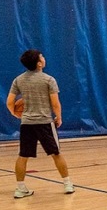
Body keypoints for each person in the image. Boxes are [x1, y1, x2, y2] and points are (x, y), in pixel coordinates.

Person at [6, 49, 73, 198]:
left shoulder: (18, 80)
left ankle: (20, 188)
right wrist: (59, 117)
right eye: (41, 56)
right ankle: (67, 184)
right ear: (39, 63)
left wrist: (15, 113)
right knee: (56, 153)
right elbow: (55, 103)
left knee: (23, 156)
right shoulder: (49, 80)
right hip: (44, 122)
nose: (44, 57)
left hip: (26, 124)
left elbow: (10, 102)